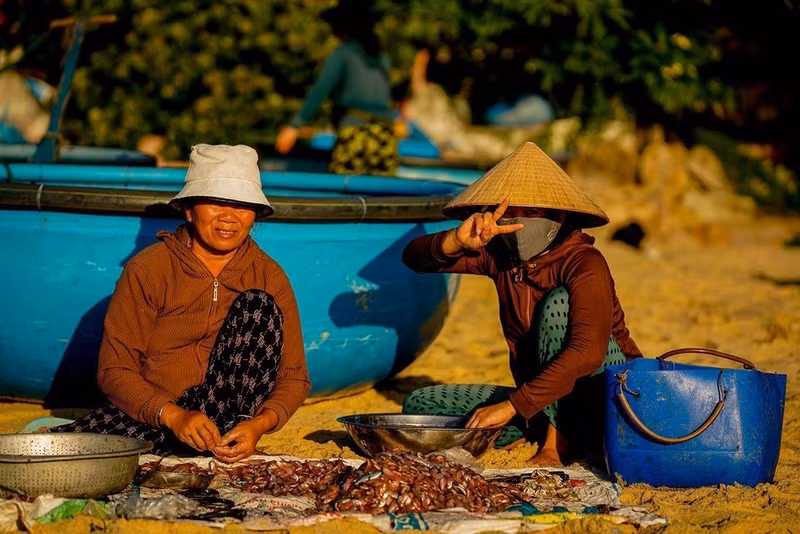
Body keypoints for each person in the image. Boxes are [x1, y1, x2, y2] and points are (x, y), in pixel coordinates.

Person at [50, 144, 311, 463]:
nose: (229, 217)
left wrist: (259, 424)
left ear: (255, 214)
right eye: (216, 202)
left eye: (242, 205)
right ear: (189, 209)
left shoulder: (270, 276)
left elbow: (294, 376)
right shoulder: (148, 268)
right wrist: (173, 416)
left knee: (257, 305)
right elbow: (114, 370)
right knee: (63, 454)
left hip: (230, 425)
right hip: (158, 417)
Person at [400, 142, 642, 465]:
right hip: (536, 398)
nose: (519, 222)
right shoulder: (500, 256)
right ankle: (535, 428)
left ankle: (557, 444)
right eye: (510, 212)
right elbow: (414, 258)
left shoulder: (584, 262)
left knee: (557, 306)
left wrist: (511, 406)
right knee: (421, 407)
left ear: (558, 215)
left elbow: (587, 353)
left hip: (609, 397)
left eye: (532, 213)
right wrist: (457, 240)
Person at [275, 0, 398, 176]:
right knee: (384, 194)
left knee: (346, 192)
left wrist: (294, 126)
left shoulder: (344, 52)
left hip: (355, 134)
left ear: (342, 28)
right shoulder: (381, 57)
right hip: (386, 137)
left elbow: (320, 90)